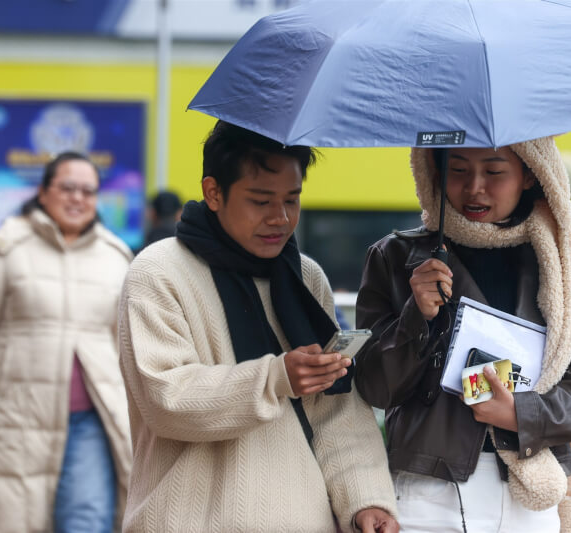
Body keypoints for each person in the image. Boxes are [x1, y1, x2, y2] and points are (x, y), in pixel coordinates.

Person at [118, 121, 398, 533]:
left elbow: (337, 410)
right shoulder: (158, 272)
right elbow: (166, 400)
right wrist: (275, 377)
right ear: (213, 192)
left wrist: (365, 500)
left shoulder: (305, 277)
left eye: (292, 199)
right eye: (261, 200)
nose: (280, 218)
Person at [354, 138, 571, 533]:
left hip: (529, 491)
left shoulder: (564, 259)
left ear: (530, 174)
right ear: (434, 170)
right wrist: (417, 316)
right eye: (458, 169)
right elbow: (374, 388)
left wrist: (522, 414)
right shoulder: (394, 257)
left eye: (494, 171)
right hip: (427, 492)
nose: (474, 187)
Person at [0, 152, 133, 533]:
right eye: (67, 187)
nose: (78, 197)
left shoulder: (116, 257)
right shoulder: (7, 247)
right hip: (13, 420)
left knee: (86, 522)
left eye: (88, 191)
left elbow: (129, 348)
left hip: (91, 423)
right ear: (44, 192)